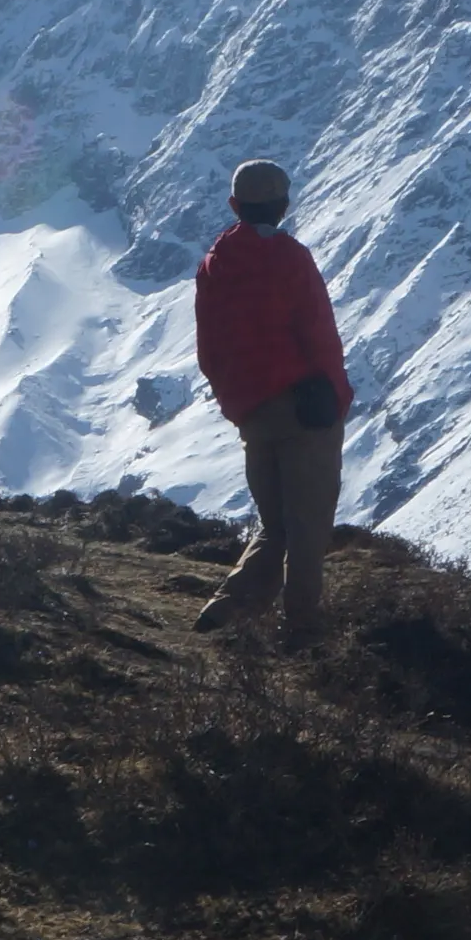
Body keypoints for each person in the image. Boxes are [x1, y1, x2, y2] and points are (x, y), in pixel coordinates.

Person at [191, 158, 353, 640]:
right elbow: (318, 332)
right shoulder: (289, 257)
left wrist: (237, 402)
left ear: (235, 204)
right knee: (308, 526)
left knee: (274, 523)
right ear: (283, 204)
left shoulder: (214, 264)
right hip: (305, 408)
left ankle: (225, 613)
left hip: (252, 411)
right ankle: (301, 627)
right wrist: (334, 396)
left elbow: (209, 348)